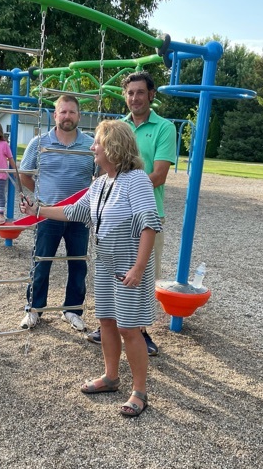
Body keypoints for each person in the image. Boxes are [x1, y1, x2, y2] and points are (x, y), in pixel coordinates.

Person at [20, 120, 161, 417]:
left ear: (113, 146)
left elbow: (150, 225)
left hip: (128, 269)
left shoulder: (137, 180)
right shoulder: (100, 183)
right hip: (106, 265)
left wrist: (138, 268)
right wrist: (39, 210)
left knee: (129, 328)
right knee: (107, 321)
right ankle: (111, 377)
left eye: (97, 142)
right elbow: (75, 211)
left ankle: (140, 391)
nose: (92, 148)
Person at [87, 71, 176, 356]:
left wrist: (124, 187)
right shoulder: (117, 127)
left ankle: (139, 331)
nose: (134, 98)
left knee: (141, 271)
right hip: (115, 214)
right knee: (111, 269)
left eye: (140, 92)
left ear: (151, 95)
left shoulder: (164, 128)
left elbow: (159, 175)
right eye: (130, 93)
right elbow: (107, 168)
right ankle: (111, 323)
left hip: (148, 212)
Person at [18, 94, 95, 331]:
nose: (67, 116)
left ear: (79, 116)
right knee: (41, 262)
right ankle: (34, 309)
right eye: (63, 112)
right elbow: (24, 173)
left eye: (72, 112)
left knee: (78, 264)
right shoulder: (39, 142)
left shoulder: (90, 145)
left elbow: (101, 177)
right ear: (55, 115)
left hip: (78, 216)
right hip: (48, 214)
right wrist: (41, 199)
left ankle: (72, 310)